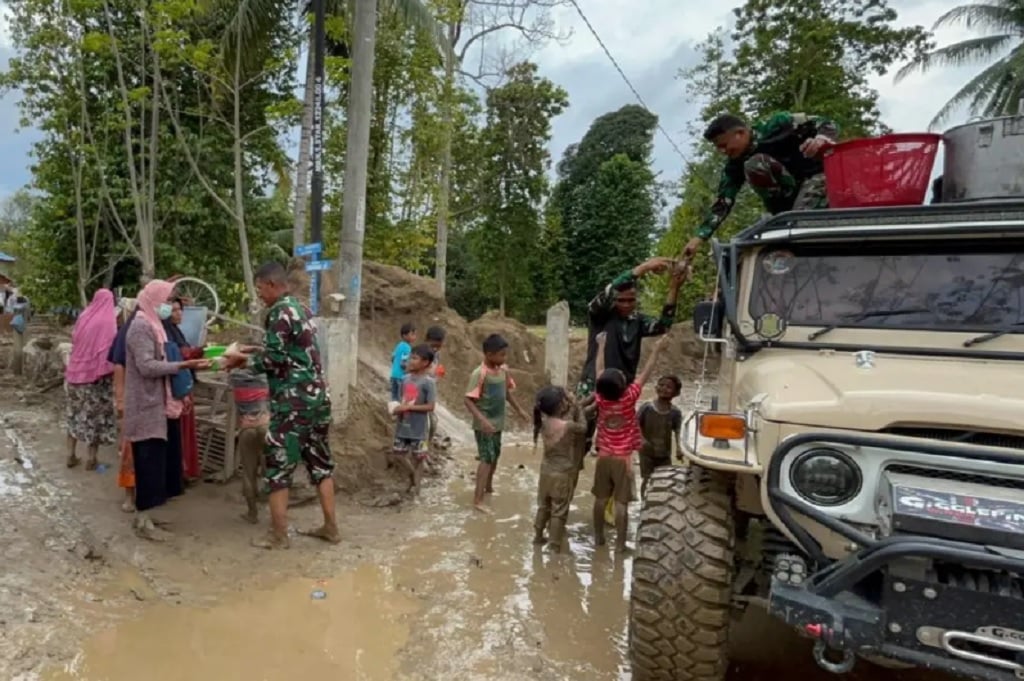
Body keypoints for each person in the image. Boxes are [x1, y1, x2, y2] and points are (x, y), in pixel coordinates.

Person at [227, 261, 340, 549]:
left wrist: (242, 361)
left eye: (261, 288)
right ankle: (331, 528)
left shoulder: (277, 312)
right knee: (321, 464)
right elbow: (291, 351)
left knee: (278, 467)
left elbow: (275, 360)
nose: (259, 295)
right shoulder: (301, 308)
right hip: (317, 399)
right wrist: (260, 350)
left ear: (272, 284)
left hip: (292, 403)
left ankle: (278, 536)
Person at [683, 111, 839, 258]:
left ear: (741, 133)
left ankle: (796, 218)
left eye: (724, 145)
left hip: (817, 180)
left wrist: (821, 139)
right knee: (753, 165)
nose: (723, 151)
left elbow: (827, 122)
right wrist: (698, 238)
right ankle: (782, 217)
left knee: (756, 163)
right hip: (788, 199)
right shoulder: (734, 166)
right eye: (718, 148)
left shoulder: (777, 124)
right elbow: (723, 202)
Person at [576, 257, 689, 458]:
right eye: (621, 300)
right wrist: (644, 268)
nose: (626, 304)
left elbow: (663, 325)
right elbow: (611, 289)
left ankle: (609, 480)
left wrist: (674, 288)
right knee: (580, 436)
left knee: (616, 440)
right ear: (613, 300)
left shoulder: (637, 320)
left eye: (631, 300)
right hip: (595, 383)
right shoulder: (600, 314)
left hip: (622, 389)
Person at [124, 280, 210, 540]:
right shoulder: (140, 327)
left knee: (160, 460)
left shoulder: (155, 325)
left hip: (160, 402)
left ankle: (149, 517)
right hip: (146, 404)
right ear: (152, 300)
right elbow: (147, 366)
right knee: (147, 460)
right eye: (164, 300)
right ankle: (142, 520)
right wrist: (181, 366)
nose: (167, 305)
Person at [592, 331, 668, 551]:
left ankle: (598, 537)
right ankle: (620, 544)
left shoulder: (600, 399)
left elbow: (599, 371)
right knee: (621, 502)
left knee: (600, 498)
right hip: (623, 459)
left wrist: (601, 346)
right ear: (623, 386)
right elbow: (647, 371)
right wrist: (656, 349)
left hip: (603, 456)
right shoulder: (629, 397)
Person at [464, 333, 528, 514]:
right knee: (486, 459)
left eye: (505, 354)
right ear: (489, 355)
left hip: (498, 423)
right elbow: (468, 400)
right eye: (501, 355)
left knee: (495, 456)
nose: (504, 358)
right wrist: (482, 421)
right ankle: (477, 500)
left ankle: (488, 487)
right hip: (484, 425)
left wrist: (520, 410)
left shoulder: (504, 371)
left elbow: (507, 393)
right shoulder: (479, 374)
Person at [63, 288, 118, 470]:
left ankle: (71, 455)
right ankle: (91, 459)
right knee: (95, 418)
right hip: (95, 379)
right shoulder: (108, 320)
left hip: (74, 374)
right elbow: (109, 350)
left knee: (74, 416)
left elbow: (74, 339)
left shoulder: (84, 316)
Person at [532, 386, 588, 553]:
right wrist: (577, 406)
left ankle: (538, 537)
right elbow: (583, 427)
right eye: (564, 400)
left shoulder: (542, 424)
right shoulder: (568, 426)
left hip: (545, 472)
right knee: (559, 510)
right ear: (561, 406)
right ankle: (554, 545)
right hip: (562, 473)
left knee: (543, 506)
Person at [164, 298, 201, 483]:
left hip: (184, 386)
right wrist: (197, 353)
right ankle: (181, 472)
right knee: (180, 432)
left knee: (185, 431)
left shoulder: (176, 332)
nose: (178, 314)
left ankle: (184, 471)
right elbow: (177, 358)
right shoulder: (166, 333)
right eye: (174, 310)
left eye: (180, 310)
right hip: (178, 390)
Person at [392, 344, 437, 496]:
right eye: (411, 357)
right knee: (399, 454)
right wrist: (397, 409)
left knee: (419, 460)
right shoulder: (404, 379)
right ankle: (411, 477)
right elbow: (401, 401)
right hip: (403, 425)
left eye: (414, 358)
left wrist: (409, 408)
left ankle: (416, 491)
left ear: (425, 363)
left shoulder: (428, 383)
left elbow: (431, 406)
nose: (410, 360)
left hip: (420, 427)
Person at [109, 301, 139, 512]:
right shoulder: (132, 329)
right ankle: (129, 495)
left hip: (152, 402)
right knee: (130, 449)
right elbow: (119, 364)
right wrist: (120, 399)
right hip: (133, 399)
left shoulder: (159, 328)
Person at [637, 375, 684, 497]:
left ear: (676, 393)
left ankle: (659, 505)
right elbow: (634, 424)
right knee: (647, 480)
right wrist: (642, 439)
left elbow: (678, 430)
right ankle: (644, 504)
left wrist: (679, 448)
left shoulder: (675, 412)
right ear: (656, 387)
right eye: (661, 385)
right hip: (646, 452)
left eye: (669, 387)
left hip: (664, 453)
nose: (664, 388)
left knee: (665, 481)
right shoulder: (646, 407)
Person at [425, 325, 447, 447]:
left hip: (430, 392)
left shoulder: (437, 354)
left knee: (432, 423)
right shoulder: (421, 353)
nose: (435, 349)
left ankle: (425, 448)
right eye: (433, 345)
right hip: (420, 394)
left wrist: (437, 376)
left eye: (438, 346)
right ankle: (418, 451)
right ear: (426, 340)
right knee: (424, 424)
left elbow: (435, 373)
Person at [390, 323, 417, 401]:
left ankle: (393, 410)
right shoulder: (407, 348)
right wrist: (410, 370)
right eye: (412, 334)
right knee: (400, 398)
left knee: (394, 397)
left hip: (394, 375)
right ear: (404, 336)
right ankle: (399, 412)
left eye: (415, 334)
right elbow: (403, 363)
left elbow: (392, 358)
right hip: (401, 377)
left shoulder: (399, 345)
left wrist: (395, 365)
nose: (414, 337)